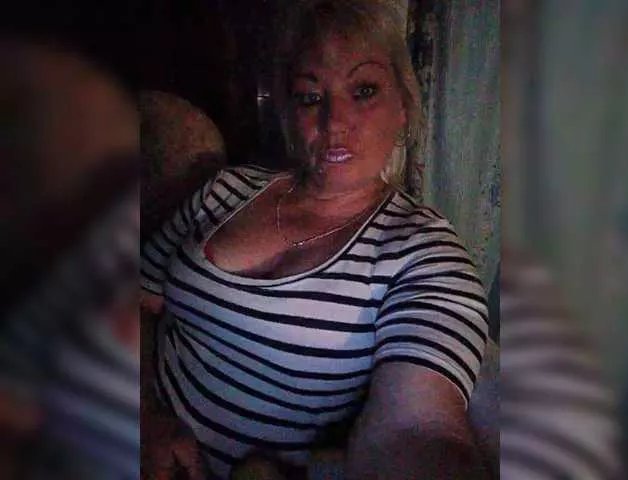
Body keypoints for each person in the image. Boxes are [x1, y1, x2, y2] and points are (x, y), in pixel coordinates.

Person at [140, 1, 490, 479]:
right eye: (310, 96)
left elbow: (416, 427)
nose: (334, 122)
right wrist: (145, 415)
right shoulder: (224, 188)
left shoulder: (423, 250)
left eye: (364, 90)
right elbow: (139, 300)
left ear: (404, 105)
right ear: (289, 114)